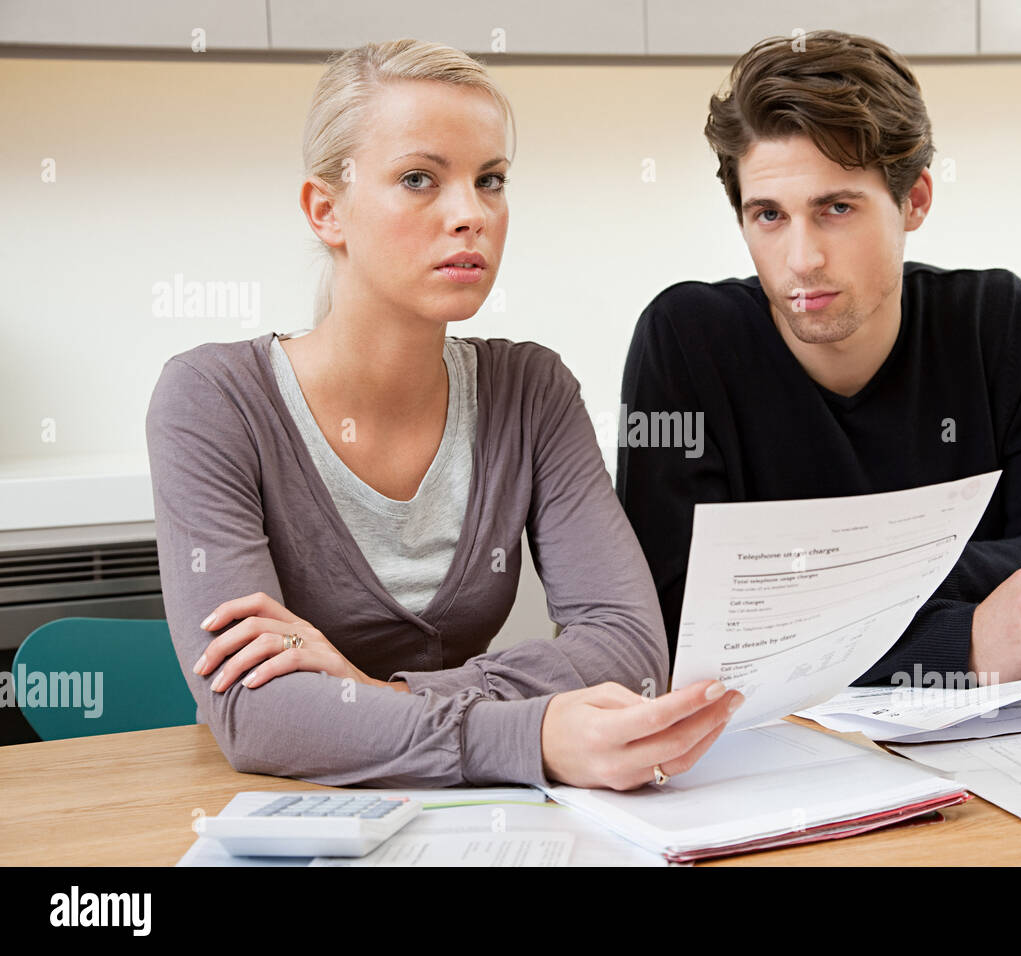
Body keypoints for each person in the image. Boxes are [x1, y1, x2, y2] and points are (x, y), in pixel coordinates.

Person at [145, 38, 741, 791]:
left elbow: (628, 646)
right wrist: (530, 735)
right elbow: (257, 716)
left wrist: (375, 697)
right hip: (290, 817)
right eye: (420, 179)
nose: (471, 215)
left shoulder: (532, 389)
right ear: (326, 211)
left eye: (490, 180)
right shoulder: (211, 400)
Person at [616, 30, 1021, 688]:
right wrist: (961, 640)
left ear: (915, 200)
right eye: (769, 216)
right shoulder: (687, 340)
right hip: (774, 768)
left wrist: (793, 594)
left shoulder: (997, 321)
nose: (802, 259)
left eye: (836, 208)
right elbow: (669, 628)